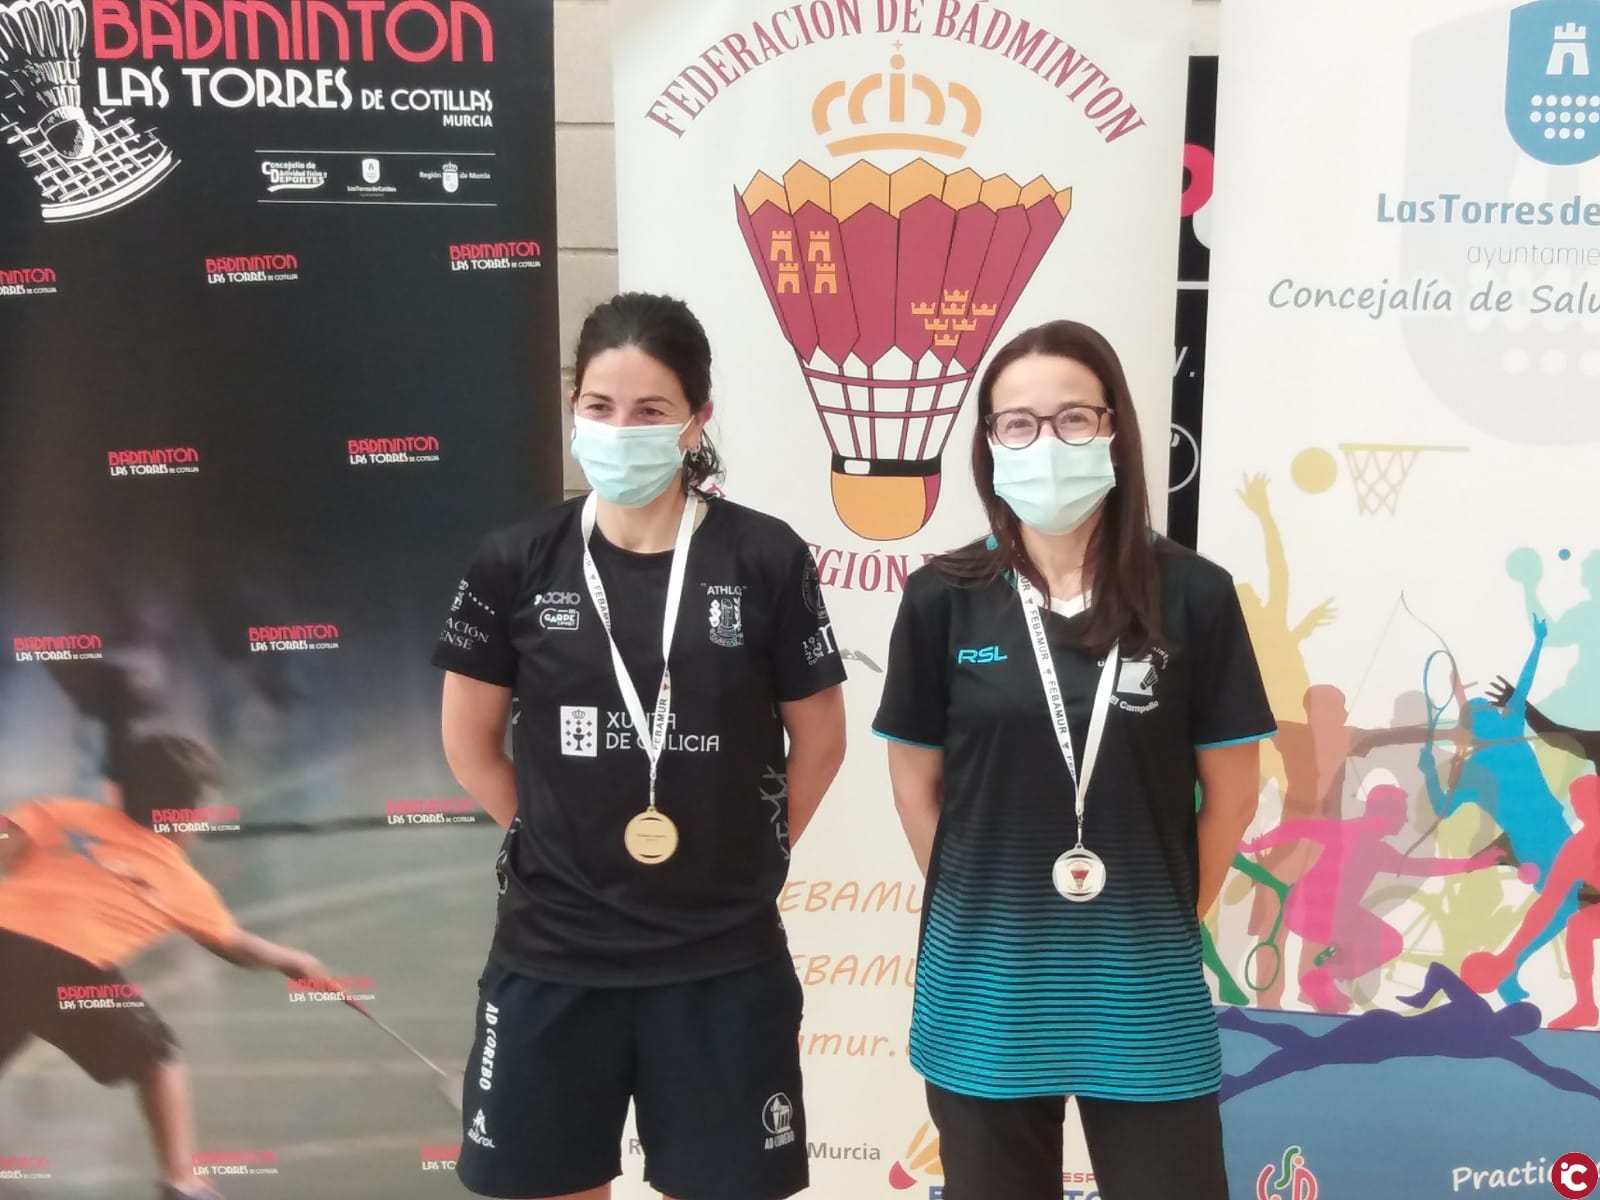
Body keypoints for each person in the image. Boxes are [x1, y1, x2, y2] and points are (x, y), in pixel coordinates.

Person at [434, 292, 848, 1200]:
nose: (621, 430)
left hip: (721, 959)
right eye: (601, 406)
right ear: (574, 410)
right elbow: (469, 742)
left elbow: (820, 740)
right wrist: (551, 837)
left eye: (651, 410)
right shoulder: (516, 558)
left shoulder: (764, 557)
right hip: (553, 955)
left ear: (697, 420)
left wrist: (754, 851)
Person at [873, 320, 1274, 1200]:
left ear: (1115, 430)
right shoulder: (942, 598)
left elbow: (1233, 796)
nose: (1045, 443)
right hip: (987, 988)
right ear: (989, 444)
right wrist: (983, 908)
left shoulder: (1195, 594)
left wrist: (1165, 916)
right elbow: (915, 788)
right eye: (1017, 423)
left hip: (1143, 986)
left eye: (1073, 419)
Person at [0, 735, 327, 1200]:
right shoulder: (180, 881)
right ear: (191, 815)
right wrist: (294, 960)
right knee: (159, 1058)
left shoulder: (59, 812)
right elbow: (235, 947)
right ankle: (182, 1182)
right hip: (71, 969)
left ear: (116, 791)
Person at [1238, 785, 1503, 1013]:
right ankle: (1321, 980)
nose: (1405, 819)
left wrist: (1256, 845)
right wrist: (1471, 864)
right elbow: (1300, 828)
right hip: (1313, 913)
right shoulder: (1359, 838)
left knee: (1385, 941)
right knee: (1386, 942)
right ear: (1389, 812)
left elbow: (1299, 829)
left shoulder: (1365, 841)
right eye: (1402, 812)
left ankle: (1322, 981)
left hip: (1327, 914)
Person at [1216, 963, 1600, 1104]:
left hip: (1384, 1046)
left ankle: (1242, 1027)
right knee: (1307, 1055)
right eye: (1514, 1016)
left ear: (1518, 1029)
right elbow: (1439, 970)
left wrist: (1595, 1092)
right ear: (1508, 1011)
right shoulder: (1478, 1012)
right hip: (1382, 1030)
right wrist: (1423, 997)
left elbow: (1553, 1074)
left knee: (1308, 1051)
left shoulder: (1500, 1045)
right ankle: (1238, 1081)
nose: (1511, 1022)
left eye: (1518, 1024)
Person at [1462, 775, 1600, 1030]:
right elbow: (1548, 903)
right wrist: (1509, 956)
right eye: (1576, 802)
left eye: (1586, 800)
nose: (1580, 808)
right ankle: (1585, 1007)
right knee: (1579, 925)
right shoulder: (1577, 848)